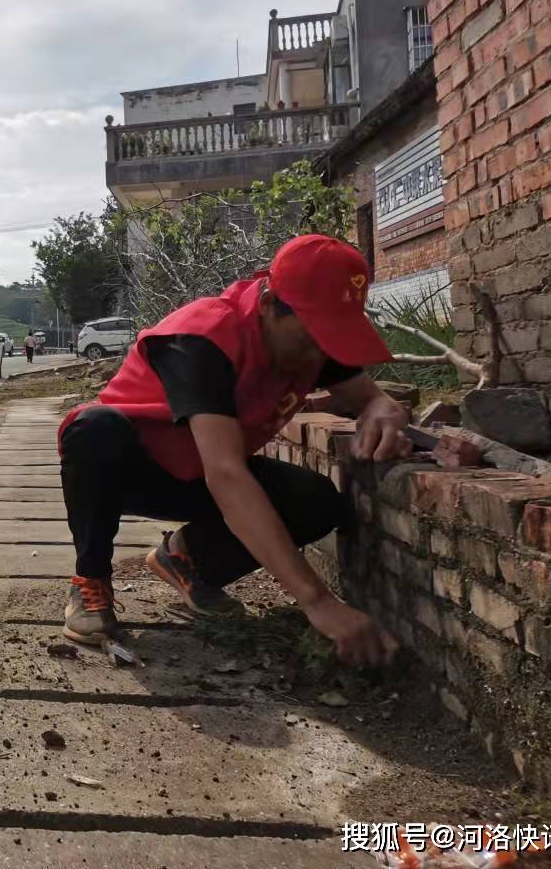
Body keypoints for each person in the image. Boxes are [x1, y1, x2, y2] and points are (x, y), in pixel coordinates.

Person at [57, 235, 409, 667]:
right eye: (311, 338)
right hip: (135, 469)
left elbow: (371, 398)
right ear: (267, 304)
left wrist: (384, 410)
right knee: (93, 428)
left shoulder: (311, 339)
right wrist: (317, 601)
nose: (318, 355)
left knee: (317, 501)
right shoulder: (202, 337)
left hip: (206, 474)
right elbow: (226, 474)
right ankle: (89, 581)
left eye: (330, 340)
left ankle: (187, 561)